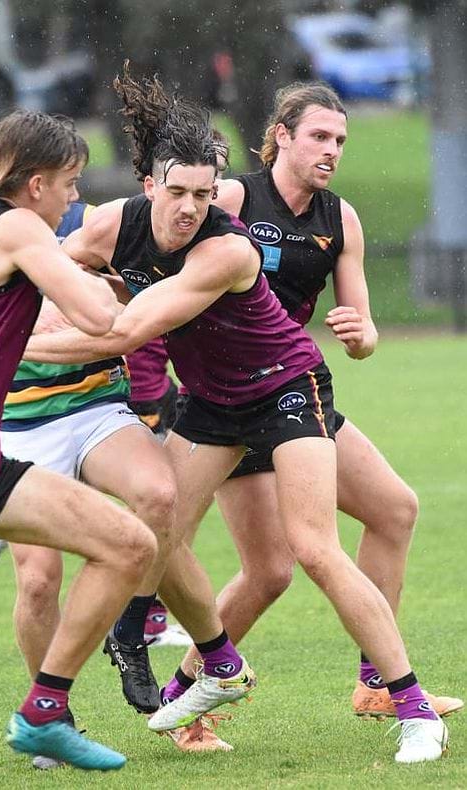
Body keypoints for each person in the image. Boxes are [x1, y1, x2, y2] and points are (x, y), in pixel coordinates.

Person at [23, 66, 447, 764]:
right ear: (150, 185)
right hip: (211, 405)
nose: (192, 207)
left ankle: (408, 704)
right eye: (179, 192)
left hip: (284, 388)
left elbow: (127, 331)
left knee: (312, 548)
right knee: (153, 536)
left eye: (201, 194)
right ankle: (170, 665)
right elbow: (48, 279)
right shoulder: (114, 224)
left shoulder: (226, 246)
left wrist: (11, 347)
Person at [167, 81, 460, 720]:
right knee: (270, 572)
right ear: (282, 136)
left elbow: (364, 330)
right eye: (319, 137)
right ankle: (186, 699)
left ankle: (378, 686)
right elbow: (170, 266)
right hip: (225, 402)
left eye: (341, 141)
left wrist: (362, 335)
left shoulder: (341, 219)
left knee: (394, 510)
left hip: (291, 392)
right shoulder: (236, 196)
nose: (332, 151)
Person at [0, 123, 227, 758]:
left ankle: (47, 714)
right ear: (35, 184)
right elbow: (102, 320)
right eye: (69, 183)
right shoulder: (18, 229)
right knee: (51, 576)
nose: (75, 200)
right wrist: (116, 290)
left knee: (128, 539)